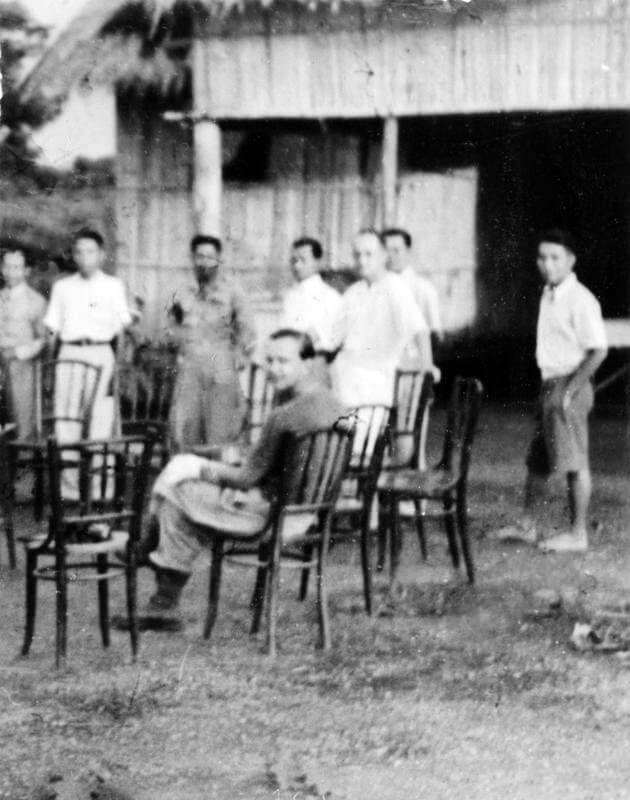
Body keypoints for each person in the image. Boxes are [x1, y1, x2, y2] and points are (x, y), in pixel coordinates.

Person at [136, 328, 346, 627]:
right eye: (270, 361)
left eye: (283, 361)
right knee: (182, 502)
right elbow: (287, 463)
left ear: (308, 363)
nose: (273, 369)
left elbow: (247, 478)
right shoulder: (336, 405)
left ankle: (154, 571)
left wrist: (199, 468)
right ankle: (157, 584)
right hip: (310, 512)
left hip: (271, 516)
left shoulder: (284, 415)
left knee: (178, 490)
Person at [497, 229, 607, 553]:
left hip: (570, 384)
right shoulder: (548, 293)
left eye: (555, 257)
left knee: (574, 462)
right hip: (549, 384)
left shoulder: (581, 299)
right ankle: (529, 525)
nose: (547, 264)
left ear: (570, 260)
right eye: (542, 257)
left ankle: (577, 534)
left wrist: (570, 391)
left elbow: (598, 350)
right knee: (538, 460)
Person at [168, 235, 257, 451]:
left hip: (221, 366)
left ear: (219, 260)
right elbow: (172, 326)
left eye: (210, 257)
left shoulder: (233, 291)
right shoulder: (182, 291)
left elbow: (248, 330)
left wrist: (239, 357)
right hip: (190, 366)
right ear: (192, 259)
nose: (204, 262)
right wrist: (179, 348)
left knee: (221, 431)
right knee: (185, 429)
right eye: (199, 256)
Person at [44, 228, 132, 442]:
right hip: (69, 354)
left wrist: (116, 368)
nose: (84, 258)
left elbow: (120, 332)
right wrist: (50, 368)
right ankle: (68, 475)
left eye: (90, 252)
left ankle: (99, 475)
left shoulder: (113, 286)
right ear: (73, 256)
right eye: (79, 252)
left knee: (101, 419)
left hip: (101, 353)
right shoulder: (62, 287)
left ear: (101, 255)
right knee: (67, 419)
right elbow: (51, 331)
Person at [331, 228, 433, 407]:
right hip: (347, 377)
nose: (362, 261)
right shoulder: (353, 292)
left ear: (383, 256)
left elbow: (419, 329)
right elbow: (333, 337)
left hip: (378, 382)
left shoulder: (394, 286)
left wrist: (427, 368)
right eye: (357, 255)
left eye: (369, 254)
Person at [280, 237, 342, 382]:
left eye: (303, 259)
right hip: (288, 368)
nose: (297, 266)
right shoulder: (290, 296)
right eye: (294, 260)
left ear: (318, 262)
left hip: (316, 368)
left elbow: (334, 341)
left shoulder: (331, 297)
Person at [0, 248, 46, 439]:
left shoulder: (36, 300)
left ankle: (23, 462)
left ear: (26, 271)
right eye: (7, 267)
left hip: (22, 366)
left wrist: (18, 353)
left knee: (22, 420)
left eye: (17, 267)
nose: (11, 272)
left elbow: (44, 338)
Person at [383, 227, 443, 368]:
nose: (390, 256)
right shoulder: (377, 288)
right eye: (386, 251)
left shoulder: (424, 289)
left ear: (408, 252)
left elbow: (435, 335)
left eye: (396, 251)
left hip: (413, 366)